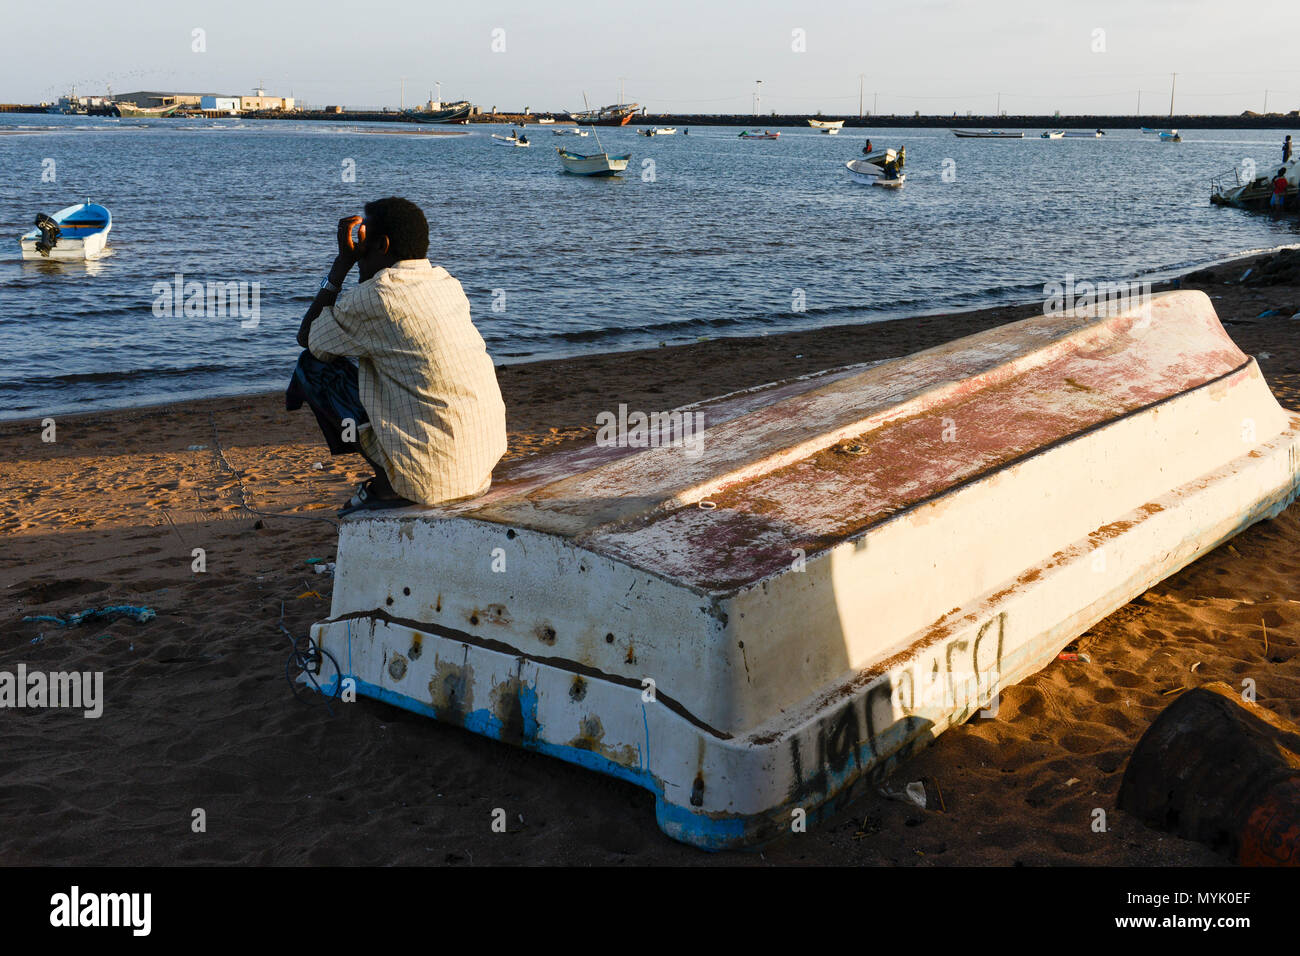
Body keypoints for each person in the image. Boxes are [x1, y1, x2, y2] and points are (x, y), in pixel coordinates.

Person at [287, 197, 507, 515]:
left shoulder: (379, 297)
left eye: (364, 241)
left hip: (429, 483)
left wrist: (342, 264)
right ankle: (396, 472)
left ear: (382, 244)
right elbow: (363, 318)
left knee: (313, 367)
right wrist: (365, 263)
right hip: (479, 467)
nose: (359, 247)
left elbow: (307, 338)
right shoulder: (448, 284)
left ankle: (388, 486)